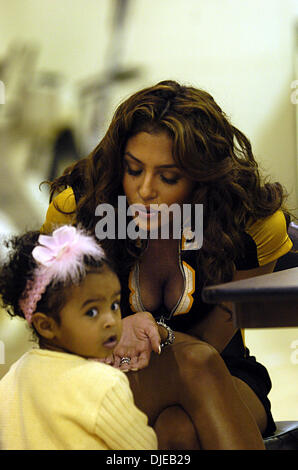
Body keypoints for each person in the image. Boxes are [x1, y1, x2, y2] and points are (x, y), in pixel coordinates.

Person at [41, 80, 294, 450]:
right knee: (196, 365)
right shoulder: (77, 211)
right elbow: (52, 330)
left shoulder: (250, 223)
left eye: (169, 176)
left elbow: (212, 340)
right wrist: (111, 330)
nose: (145, 190)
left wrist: (158, 334)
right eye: (133, 169)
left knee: (180, 425)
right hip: (99, 370)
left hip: (225, 373)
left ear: (203, 176)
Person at [0, 225, 158, 450]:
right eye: (91, 312)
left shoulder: (10, 380)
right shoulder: (103, 383)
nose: (111, 321)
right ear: (46, 326)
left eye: (114, 305)